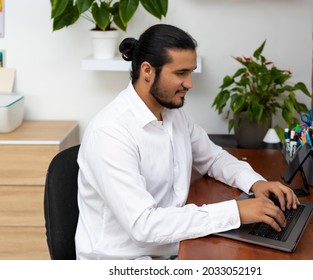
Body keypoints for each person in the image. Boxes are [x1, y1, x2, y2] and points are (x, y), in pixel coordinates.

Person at [75, 24, 300, 260]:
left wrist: (255, 183)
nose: (190, 83)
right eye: (181, 73)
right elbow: (144, 226)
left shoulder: (173, 113)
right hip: (123, 261)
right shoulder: (110, 133)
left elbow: (213, 158)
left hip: (174, 248)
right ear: (147, 71)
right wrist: (235, 212)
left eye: (191, 72)